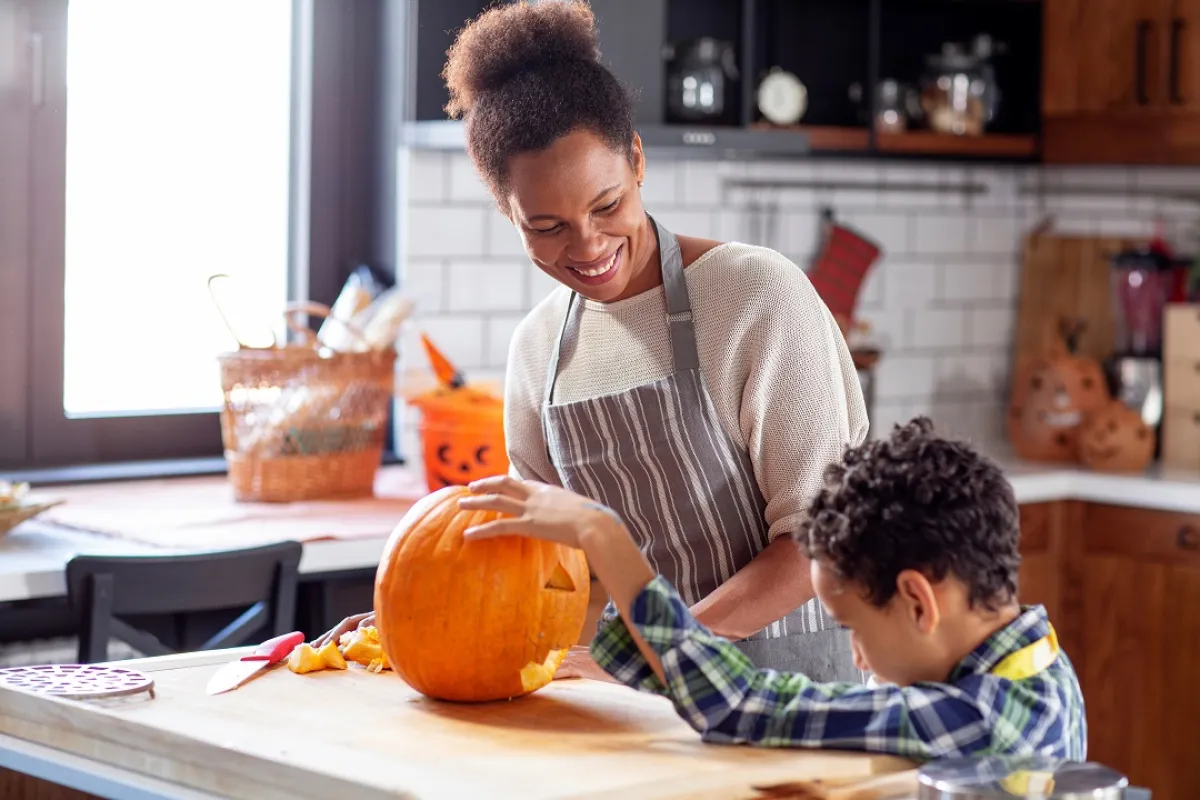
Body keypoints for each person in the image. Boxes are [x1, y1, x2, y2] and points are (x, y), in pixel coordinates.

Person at [316, 0, 868, 681]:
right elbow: (539, 564)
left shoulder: (753, 295)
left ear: (636, 160)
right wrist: (414, 614)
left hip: (786, 700)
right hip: (625, 703)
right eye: (546, 227)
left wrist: (658, 653)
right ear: (509, 214)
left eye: (606, 206)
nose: (587, 247)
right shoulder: (539, 351)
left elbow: (817, 542)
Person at [458, 418, 1087, 760]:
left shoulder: (994, 719)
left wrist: (606, 539)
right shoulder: (1030, 665)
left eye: (853, 628)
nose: (856, 658)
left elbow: (742, 706)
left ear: (918, 601)